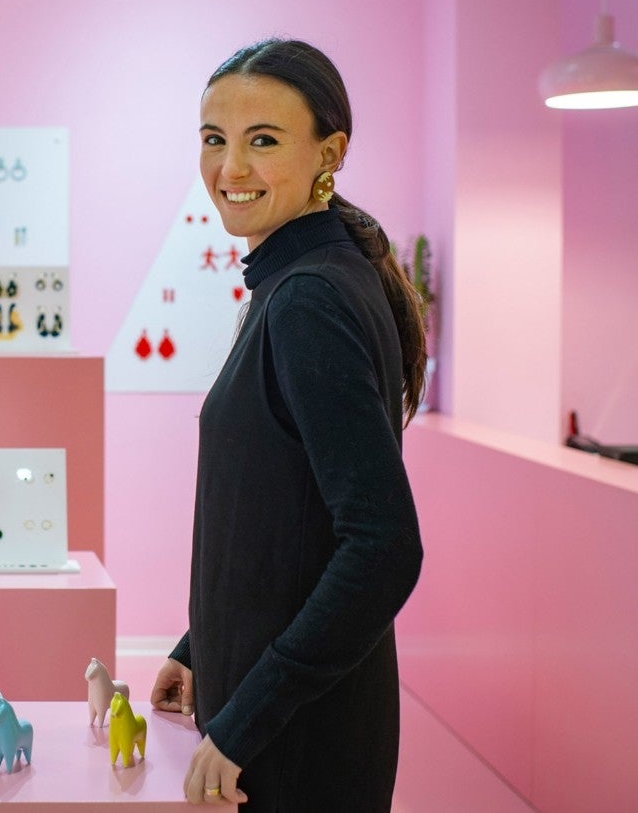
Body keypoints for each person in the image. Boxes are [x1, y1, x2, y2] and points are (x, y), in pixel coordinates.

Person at [149, 39, 426, 811]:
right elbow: (278, 518)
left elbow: (382, 546)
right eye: (215, 139)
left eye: (262, 141)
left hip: (297, 742)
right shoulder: (297, 281)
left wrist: (245, 722)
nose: (230, 169)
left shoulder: (308, 297)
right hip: (281, 718)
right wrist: (199, 645)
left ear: (327, 154)